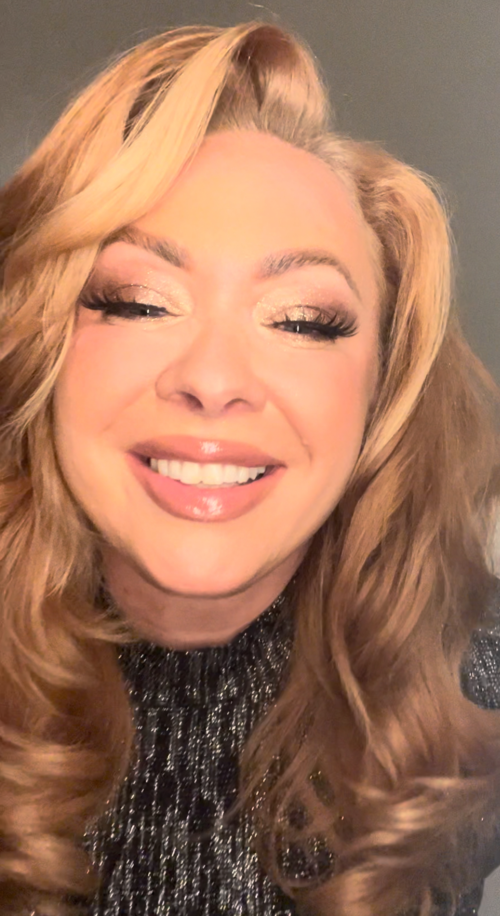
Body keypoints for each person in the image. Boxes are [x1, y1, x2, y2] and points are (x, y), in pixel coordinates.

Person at [0, 20, 499, 916]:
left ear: (382, 388)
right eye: (138, 302)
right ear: (44, 351)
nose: (214, 379)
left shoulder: (478, 684)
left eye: (302, 321)